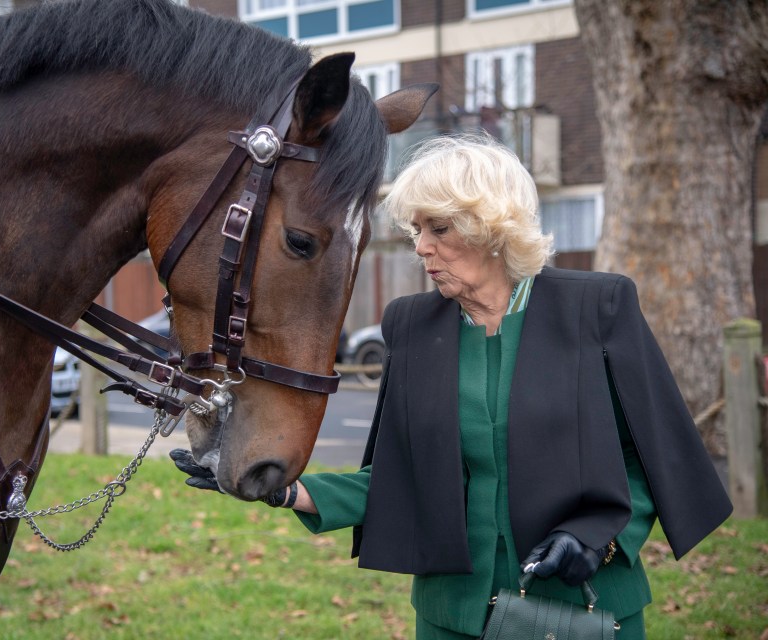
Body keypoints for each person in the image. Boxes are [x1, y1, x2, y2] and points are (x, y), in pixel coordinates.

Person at [171, 134, 732, 639]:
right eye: (417, 230)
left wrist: (601, 538)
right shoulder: (413, 325)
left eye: (438, 228)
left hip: (581, 612)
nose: (420, 247)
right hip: (452, 617)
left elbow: (655, 454)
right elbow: (397, 475)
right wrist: (274, 486)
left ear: (493, 227)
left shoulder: (597, 307)